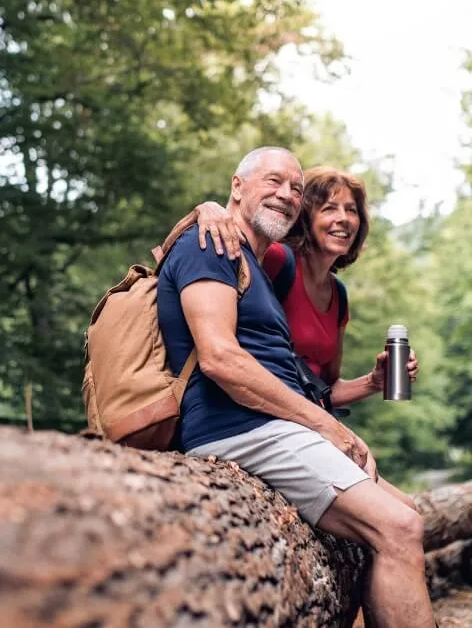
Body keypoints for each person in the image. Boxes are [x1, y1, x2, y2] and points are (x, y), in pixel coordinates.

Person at [157, 147, 435, 628]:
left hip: (277, 424)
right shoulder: (215, 242)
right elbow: (221, 359)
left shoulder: (255, 259)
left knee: (406, 514)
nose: (286, 195)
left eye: (294, 187)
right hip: (242, 424)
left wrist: (368, 386)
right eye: (273, 181)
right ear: (237, 186)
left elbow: (317, 382)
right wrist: (327, 426)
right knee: (399, 526)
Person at [195, 165, 420, 410]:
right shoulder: (277, 260)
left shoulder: (339, 296)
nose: (343, 219)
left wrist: (375, 382)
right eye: (329, 209)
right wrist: (208, 208)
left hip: (303, 417)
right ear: (305, 218)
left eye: (351, 210)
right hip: (246, 411)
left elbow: (323, 388)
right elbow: (218, 254)